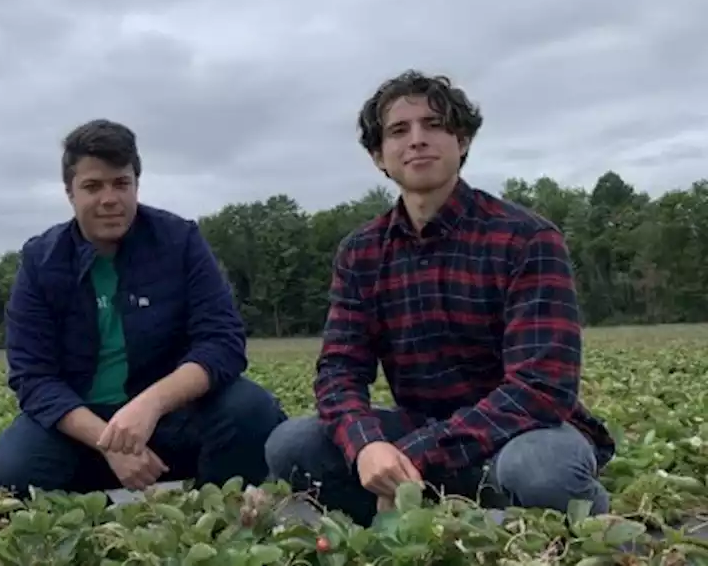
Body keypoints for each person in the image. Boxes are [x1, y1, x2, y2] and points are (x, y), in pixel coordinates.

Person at [263, 70, 615, 527]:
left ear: (462, 141)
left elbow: (541, 389)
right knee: (291, 444)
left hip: (519, 434)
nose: (417, 140)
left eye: (434, 125)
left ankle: (547, 516)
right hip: (421, 424)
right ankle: (465, 514)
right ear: (379, 157)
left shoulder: (526, 238)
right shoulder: (361, 252)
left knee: (540, 470)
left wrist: (412, 455)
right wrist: (369, 446)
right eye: (398, 131)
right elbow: (338, 373)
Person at [0, 119, 287, 498]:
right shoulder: (40, 261)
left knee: (250, 409)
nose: (109, 198)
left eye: (121, 183)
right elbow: (33, 376)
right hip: (82, 427)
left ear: (136, 185)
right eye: (92, 186)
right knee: (9, 473)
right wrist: (109, 440)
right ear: (70, 193)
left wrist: (150, 404)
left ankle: (219, 514)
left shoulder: (180, 241)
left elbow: (221, 342)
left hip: (168, 420)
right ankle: (105, 499)